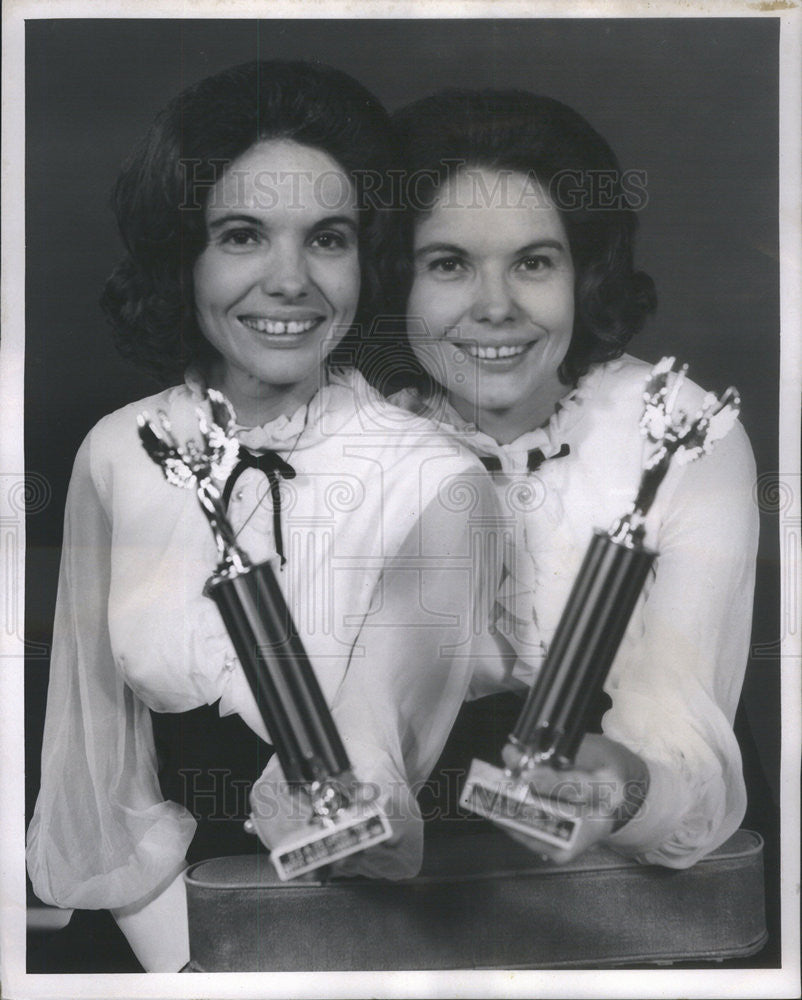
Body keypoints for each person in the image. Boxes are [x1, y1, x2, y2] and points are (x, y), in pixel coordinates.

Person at [26, 62, 498, 972]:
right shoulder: (119, 451)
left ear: (369, 258)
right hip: (151, 929)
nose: (290, 281)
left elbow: (362, 791)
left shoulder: (436, 481)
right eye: (242, 236)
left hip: (346, 933)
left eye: (328, 239)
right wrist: (177, 964)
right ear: (183, 253)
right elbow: (93, 767)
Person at [372, 89, 758, 868]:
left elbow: (690, 741)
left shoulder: (676, 431)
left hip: (625, 884)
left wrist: (628, 787)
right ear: (394, 278)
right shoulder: (354, 440)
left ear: (583, 270)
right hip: (394, 886)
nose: (495, 307)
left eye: (534, 262)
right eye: (448, 264)